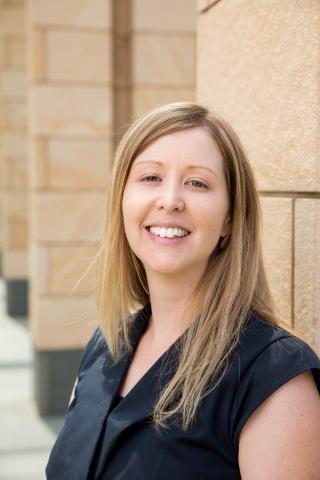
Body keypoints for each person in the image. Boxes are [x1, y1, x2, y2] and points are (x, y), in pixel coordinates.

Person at [46, 102, 320, 480]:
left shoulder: (273, 379)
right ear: (122, 203)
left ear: (228, 218)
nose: (170, 199)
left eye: (197, 183)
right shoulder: (104, 347)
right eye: (150, 178)